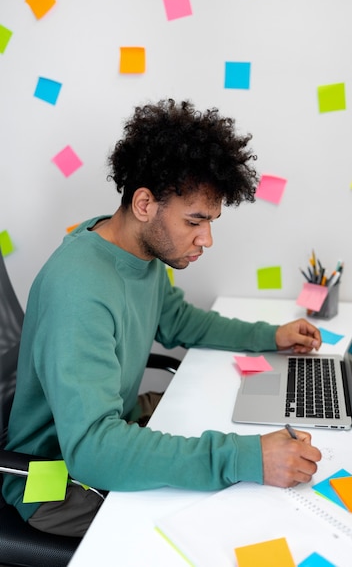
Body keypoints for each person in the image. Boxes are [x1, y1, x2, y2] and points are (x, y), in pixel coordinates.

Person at [4, 99, 322, 537]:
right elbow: (93, 450)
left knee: (228, 419)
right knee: (217, 523)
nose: (207, 238)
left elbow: (180, 323)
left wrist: (272, 336)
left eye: (210, 221)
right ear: (144, 204)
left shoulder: (141, 254)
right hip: (53, 477)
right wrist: (245, 458)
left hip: (112, 425)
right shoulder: (78, 288)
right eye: (195, 221)